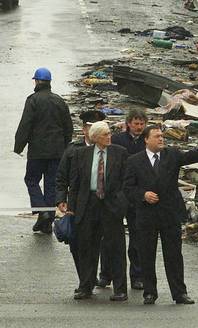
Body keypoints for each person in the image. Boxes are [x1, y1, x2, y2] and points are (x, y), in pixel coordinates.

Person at [123, 125, 198, 305]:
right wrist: (143, 195)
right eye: (157, 136)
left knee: (174, 255)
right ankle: (149, 292)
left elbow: (190, 156)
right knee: (146, 255)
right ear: (146, 139)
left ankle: (179, 293)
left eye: (162, 136)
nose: (161, 139)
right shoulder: (134, 161)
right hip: (147, 214)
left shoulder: (172, 154)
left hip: (170, 213)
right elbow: (128, 187)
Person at [67, 121, 129, 301]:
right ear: (94, 138)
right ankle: (85, 286)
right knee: (86, 247)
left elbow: (126, 182)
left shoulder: (120, 153)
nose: (109, 137)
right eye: (105, 135)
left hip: (111, 204)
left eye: (110, 133)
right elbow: (75, 184)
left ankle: (120, 289)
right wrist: (72, 210)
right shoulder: (81, 154)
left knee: (116, 247)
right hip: (88, 204)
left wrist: (122, 204)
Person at [15, 67, 73, 234]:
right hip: (57, 152)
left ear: (37, 82)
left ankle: (43, 211)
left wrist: (19, 146)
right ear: (49, 83)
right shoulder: (60, 101)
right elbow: (68, 127)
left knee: (32, 180)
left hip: (37, 152)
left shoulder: (33, 100)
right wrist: (64, 146)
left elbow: (26, 124)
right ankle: (46, 221)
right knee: (51, 183)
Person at [55, 109, 106, 284]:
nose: (95, 133)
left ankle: (95, 276)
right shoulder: (73, 150)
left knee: (97, 243)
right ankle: (85, 279)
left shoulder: (108, 150)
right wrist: (61, 198)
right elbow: (62, 176)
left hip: (101, 202)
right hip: (79, 203)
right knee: (77, 243)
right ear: (84, 130)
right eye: (91, 128)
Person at [99, 107, 146, 290]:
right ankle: (105, 275)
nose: (139, 127)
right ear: (128, 124)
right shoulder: (117, 140)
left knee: (137, 238)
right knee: (109, 237)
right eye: (136, 124)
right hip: (117, 194)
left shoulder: (147, 140)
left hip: (137, 195)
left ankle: (137, 276)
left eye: (142, 124)